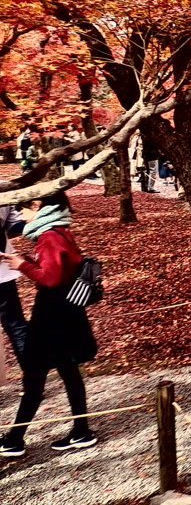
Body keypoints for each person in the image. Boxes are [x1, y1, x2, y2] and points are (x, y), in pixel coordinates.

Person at [0, 192, 98, 458]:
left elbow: (51, 278)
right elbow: (58, 270)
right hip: (66, 312)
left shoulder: (49, 236)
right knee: (69, 372)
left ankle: (14, 439)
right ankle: (81, 430)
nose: (20, 216)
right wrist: (26, 263)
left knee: (34, 374)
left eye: (23, 209)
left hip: (51, 315)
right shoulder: (59, 230)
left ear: (37, 205)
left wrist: (23, 266)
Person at [0, 196, 28, 368]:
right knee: (16, 325)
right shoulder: (3, 188)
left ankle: (33, 381)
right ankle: (33, 382)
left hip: (3, 270)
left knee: (16, 325)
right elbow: (17, 225)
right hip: (3, 269)